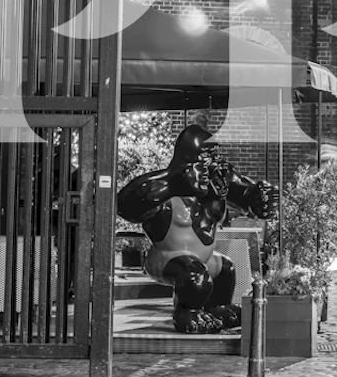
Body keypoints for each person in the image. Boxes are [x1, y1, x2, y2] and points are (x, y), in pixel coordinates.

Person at [115, 124, 276, 333]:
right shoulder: (169, 186)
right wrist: (173, 182)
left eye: (215, 154)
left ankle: (217, 308)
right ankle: (186, 312)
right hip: (167, 257)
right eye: (208, 155)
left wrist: (258, 196)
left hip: (204, 257)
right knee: (195, 275)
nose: (215, 162)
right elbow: (125, 205)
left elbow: (245, 194)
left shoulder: (217, 182)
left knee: (225, 269)